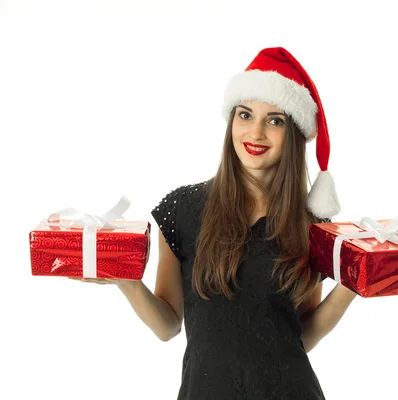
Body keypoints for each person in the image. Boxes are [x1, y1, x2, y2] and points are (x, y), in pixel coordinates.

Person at [70, 47, 359, 399]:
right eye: (245, 115)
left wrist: (353, 284)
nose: (255, 133)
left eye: (275, 120)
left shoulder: (312, 223)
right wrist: (127, 283)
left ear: (294, 132)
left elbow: (301, 335)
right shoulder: (183, 210)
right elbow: (168, 326)